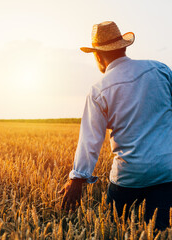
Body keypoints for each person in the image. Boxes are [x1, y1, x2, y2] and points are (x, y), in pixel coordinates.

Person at [58, 21, 172, 230]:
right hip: (167, 172)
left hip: (128, 177)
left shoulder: (99, 89)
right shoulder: (161, 69)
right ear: (124, 47)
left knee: (113, 229)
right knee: (161, 232)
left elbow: (90, 141)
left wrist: (77, 179)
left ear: (97, 55)